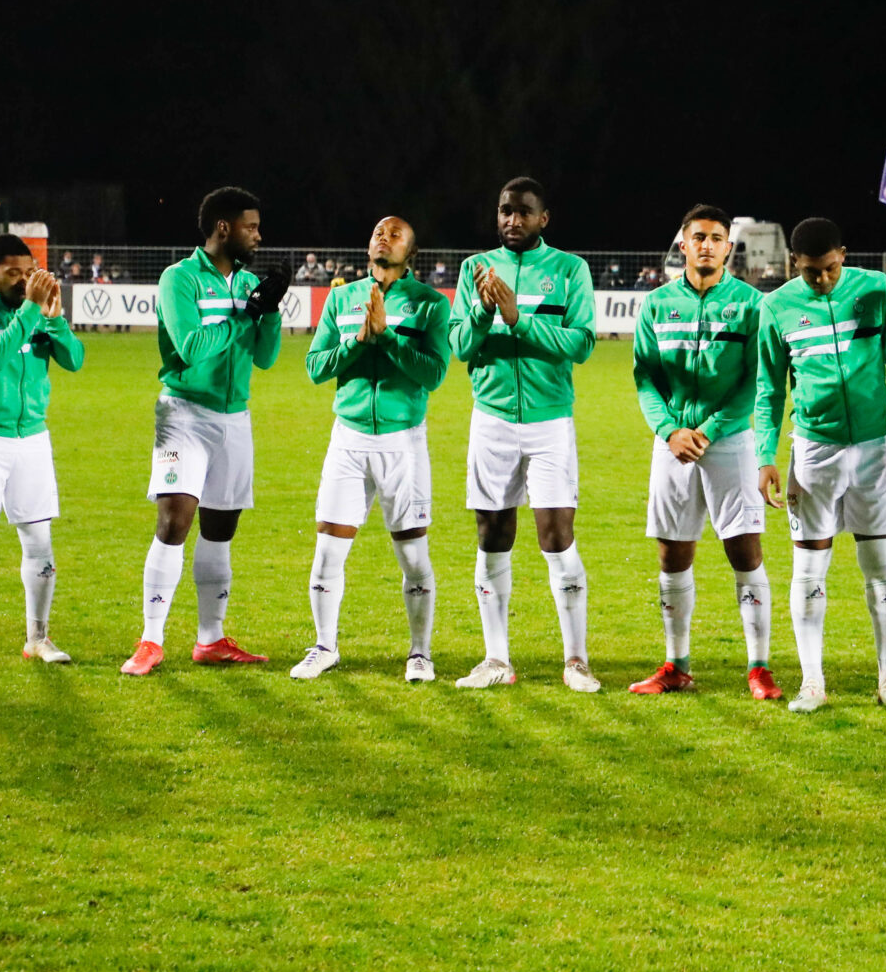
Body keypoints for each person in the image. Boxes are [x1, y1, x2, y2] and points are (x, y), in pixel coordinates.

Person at [755, 217, 886, 714]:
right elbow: (769, 390)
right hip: (813, 453)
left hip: (873, 450)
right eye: (810, 273)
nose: (821, 280)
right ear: (794, 265)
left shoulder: (875, 290)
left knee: (882, 569)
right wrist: (766, 454)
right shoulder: (776, 307)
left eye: (829, 269)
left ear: (843, 256)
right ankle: (812, 682)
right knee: (809, 571)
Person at [122, 187, 288, 675]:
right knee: (175, 522)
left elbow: (266, 357)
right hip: (184, 415)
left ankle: (210, 640)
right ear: (223, 228)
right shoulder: (180, 279)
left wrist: (271, 311)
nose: (258, 235)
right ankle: (151, 640)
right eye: (251, 227)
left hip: (235, 417)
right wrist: (245, 317)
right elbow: (193, 347)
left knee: (220, 530)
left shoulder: (248, 282)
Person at [447, 177, 599, 692]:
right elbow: (461, 347)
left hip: (549, 420)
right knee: (492, 537)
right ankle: (496, 660)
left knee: (556, 538)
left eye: (523, 212)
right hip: (490, 420)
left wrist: (519, 319)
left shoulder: (569, 270)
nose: (512, 220)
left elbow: (580, 344)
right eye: (504, 211)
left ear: (544, 218)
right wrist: (483, 311)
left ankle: (576, 660)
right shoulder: (474, 270)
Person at [630, 205, 778, 701]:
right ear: (684, 244)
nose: (708, 244)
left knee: (744, 549)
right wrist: (669, 429)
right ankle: (677, 664)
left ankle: (759, 668)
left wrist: (709, 430)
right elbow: (644, 377)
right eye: (699, 236)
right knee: (673, 552)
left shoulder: (752, 305)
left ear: (729, 248)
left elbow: (757, 380)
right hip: (671, 445)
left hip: (730, 441)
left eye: (717, 237)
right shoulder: (655, 305)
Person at [292, 216, 450, 682]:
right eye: (379, 231)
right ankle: (324, 646)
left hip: (403, 441)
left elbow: (434, 374)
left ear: (411, 252)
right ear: (368, 245)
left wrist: (388, 336)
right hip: (349, 437)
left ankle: (419, 653)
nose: (386, 236)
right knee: (327, 553)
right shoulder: (341, 299)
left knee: (413, 557)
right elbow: (316, 367)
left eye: (397, 233)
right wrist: (360, 341)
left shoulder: (430, 305)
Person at [0, 236, 83, 665]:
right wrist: (32, 308)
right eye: (14, 272)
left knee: (39, 542)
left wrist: (54, 321)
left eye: (28, 271)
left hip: (32, 437)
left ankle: (37, 638)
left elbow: (74, 360)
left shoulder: (35, 313)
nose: (24, 280)